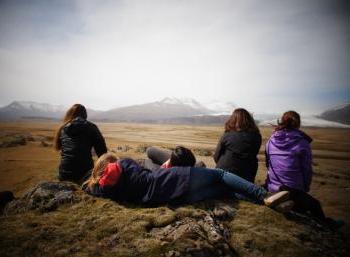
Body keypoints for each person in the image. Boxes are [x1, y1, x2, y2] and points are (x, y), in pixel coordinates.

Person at [83, 152, 291, 211]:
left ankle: (267, 206)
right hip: (176, 178)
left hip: (176, 198)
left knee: (223, 191)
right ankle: (263, 195)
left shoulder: (105, 190)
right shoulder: (126, 163)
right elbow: (144, 172)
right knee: (219, 174)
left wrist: (92, 182)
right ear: (111, 163)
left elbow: (91, 189)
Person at [265, 111, 344, 228]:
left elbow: (268, 164)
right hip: (293, 190)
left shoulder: (271, 140)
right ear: (298, 124)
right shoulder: (302, 143)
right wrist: (305, 187)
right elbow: (306, 170)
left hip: (272, 188)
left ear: (282, 121)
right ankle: (327, 225)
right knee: (315, 205)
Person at [54, 104, 107, 183]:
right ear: (85, 115)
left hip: (64, 175)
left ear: (69, 114)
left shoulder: (63, 129)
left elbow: (61, 150)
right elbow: (102, 153)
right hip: (85, 174)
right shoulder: (91, 127)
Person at [214, 108, 262, 182]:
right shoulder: (257, 136)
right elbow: (253, 154)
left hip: (224, 174)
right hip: (247, 175)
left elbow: (216, 156)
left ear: (233, 120)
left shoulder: (228, 135)